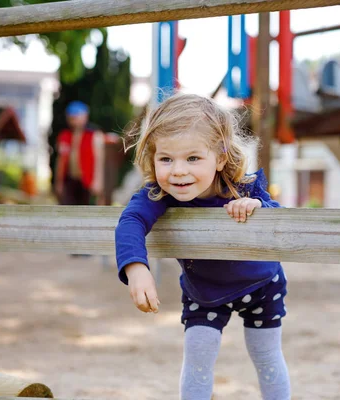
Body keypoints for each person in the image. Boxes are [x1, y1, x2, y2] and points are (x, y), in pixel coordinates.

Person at [115, 93, 291, 400]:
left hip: (262, 284)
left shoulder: (243, 188)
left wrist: (256, 207)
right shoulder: (158, 194)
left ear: (220, 157)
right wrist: (136, 268)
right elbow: (131, 221)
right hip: (204, 291)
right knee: (197, 357)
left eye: (193, 158)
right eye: (166, 159)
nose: (178, 170)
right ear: (152, 157)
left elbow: (277, 219)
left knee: (266, 355)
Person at [54, 101, 105, 205]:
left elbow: (99, 159)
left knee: (87, 210)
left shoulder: (94, 135)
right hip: (70, 180)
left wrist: (98, 180)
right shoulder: (64, 136)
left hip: (87, 181)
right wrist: (58, 182)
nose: (73, 120)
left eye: (76, 117)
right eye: (71, 117)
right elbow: (61, 160)